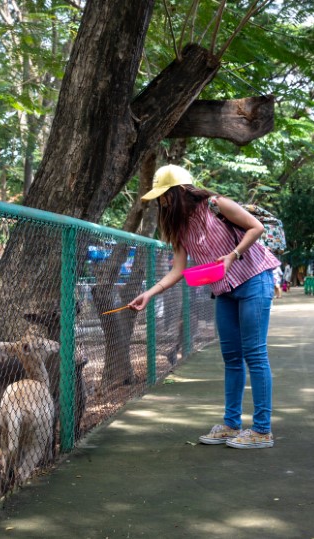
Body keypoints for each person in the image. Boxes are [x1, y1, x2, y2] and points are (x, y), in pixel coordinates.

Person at [128, 164, 280, 449]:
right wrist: (149, 293)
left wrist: (233, 255)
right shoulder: (180, 227)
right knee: (232, 357)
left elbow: (255, 227)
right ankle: (231, 423)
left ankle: (262, 430)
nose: (160, 203)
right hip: (224, 290)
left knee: (255, 354)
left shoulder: (216, 205)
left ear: (177, 192)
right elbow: (178, 270)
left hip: (253, 279)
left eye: (162, 196)